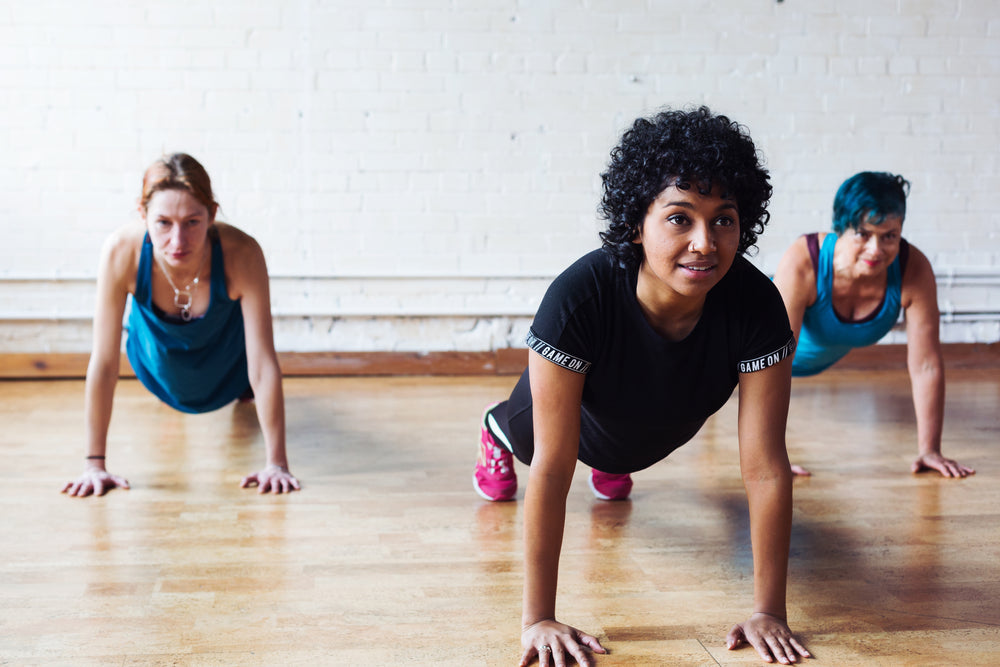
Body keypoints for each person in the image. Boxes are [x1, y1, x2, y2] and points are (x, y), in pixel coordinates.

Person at [473, 107, 811, 666]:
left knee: (620, 453)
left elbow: (766, 466)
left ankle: (614, 460)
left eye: (723, 219)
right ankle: (497, 429)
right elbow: (555, 472)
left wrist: (769, 610)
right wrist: (537, 619)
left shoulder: (756, 306)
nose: (705, 242)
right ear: (637, 222)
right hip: (573, 422)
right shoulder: (577, 299)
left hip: (652, 419)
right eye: (680, 218)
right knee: (534, 442)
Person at [62, 153, 300, 497]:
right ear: (143, 215)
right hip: (157, 363)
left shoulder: (242, 252)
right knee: (165, 372)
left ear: (212, 215)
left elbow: (262, 361)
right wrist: (94, 464)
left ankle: (238, 392)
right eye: (163, 223)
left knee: (247, 380)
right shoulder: (120, 251)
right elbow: (103, 361)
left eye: (192, 222)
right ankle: (174, 389)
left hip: (228, 364)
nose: (178, 241)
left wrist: (276, 464)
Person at [773, 171, 974, 479]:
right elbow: (774, 361)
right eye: (863, 234)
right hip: (748, 350)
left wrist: (930, 449)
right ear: (840, 228)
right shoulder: (805, 261)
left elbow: (927, 366)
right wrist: (770, 457)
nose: (876, 249)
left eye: (889, 235)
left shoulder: (913, 270)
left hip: (807, 362)